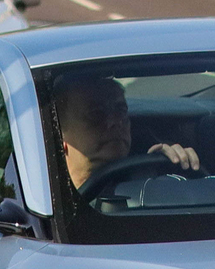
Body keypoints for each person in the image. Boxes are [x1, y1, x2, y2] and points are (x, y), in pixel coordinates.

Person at [51, 75, 200, 193]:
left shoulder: (148, 179)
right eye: (96, 114)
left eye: (121, 111)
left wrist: (173, 169)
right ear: (60, 136)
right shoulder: (43, 198)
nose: (115, 121)